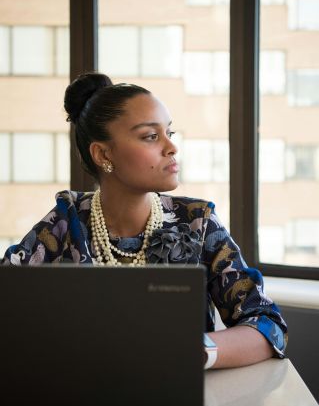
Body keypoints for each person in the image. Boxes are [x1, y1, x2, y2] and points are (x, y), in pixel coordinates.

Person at [1, 72, 287, 369]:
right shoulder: (66, 222)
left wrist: (193, 350)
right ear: (102, 154)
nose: (171, 147)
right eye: (151, 136)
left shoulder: (197, 223)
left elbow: (268, 326)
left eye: (169, 133)